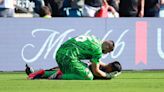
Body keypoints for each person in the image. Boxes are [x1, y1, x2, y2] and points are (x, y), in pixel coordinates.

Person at [26, 61, 122, 80]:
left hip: (80, 69)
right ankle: (33, 73)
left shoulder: (106, 74)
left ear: (111, 69)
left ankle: (34, 74)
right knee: (54, 71)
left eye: (110, 65)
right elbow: (95, 62)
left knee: (55, 72)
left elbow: (96, 69)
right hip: (80, 67)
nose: (108, 64)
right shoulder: (106, 71)